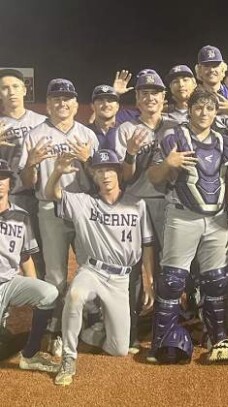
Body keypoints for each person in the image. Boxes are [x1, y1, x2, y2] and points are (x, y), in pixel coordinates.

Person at [146, 87, 228, 363]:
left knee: (216, 280)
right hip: (182, 214)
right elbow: (153, 177)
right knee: (173, 281)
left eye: (209, 108)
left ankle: (217, 338)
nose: (204, 113)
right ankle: (160, 342)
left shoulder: (225, 142)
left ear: (215, 112)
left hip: (217, 219)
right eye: (199, 108)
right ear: (190, 109)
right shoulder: (172, 137)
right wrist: (168, 163)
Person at [45, 149, 154, 386]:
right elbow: (51, 193)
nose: (105, 175)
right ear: (94, 176)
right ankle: (68, 357)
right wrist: (56, 173)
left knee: (119, 349)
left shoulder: (137, 204)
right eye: (100, 171)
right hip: (92, 271)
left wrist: (148, 280)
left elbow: (147, 245)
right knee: (75, 295)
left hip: (121, 280)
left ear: (119, 174)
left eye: (111, 170)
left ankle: (87, 330)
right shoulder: (84, 202)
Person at [19, 78, 99, 356]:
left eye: (67, 98)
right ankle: (55, 326)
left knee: (90, 265)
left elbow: (101, 180)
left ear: (76, 105)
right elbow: (28, 183)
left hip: (83, 207)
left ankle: (89, 317)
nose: (62, 103)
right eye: (56, 99)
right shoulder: (35, 134)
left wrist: (89, 159)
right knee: (54, 273)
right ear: (48, 105)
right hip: (49, 208)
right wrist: (31, 163)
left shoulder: (88, 135)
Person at [114, 70, 176, 353]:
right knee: (133, 269)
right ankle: (130, 329)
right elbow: (124, 177)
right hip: (135, 202)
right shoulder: (126, 129)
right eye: (144, 93)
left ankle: (164, 328)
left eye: (155, 92)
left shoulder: (175, 126)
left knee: (168, 266)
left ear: (164, 98)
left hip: (167, 202)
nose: (150, 97)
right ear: (137, 98)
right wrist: (130, 153)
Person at [0, 159, 59, 372]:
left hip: (9, 282)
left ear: (10, 182)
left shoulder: (21, 216)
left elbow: (25, 257)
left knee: (48, 293)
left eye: (3, 177)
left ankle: (30, 354)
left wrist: (32, 289)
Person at [0, 69, 46, 280]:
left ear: (25, 90)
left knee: (46, 252)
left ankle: (47, 305)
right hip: (13, 197)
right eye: (5, 88)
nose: (11, 92)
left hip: (41, 195)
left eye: (16, 86)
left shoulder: (42, 122)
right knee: (18, 255)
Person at [87, 85, 120, 149]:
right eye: (100, 100)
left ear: (117, 107)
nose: (106, 104)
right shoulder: (84, 133)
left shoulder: (126, 133)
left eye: (110, 100)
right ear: (93, 106)